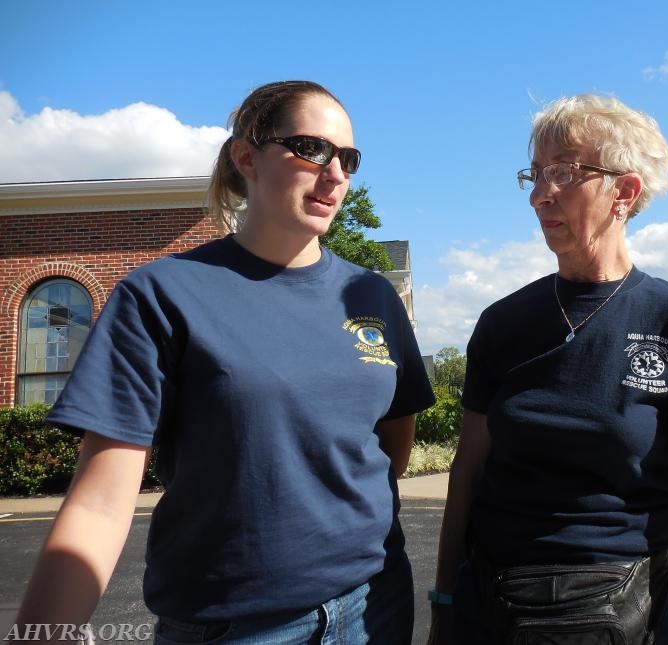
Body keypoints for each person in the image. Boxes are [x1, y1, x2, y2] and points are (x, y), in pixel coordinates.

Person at [12, 80, 434, 644]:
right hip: (235, 625)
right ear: (246, 157)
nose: (335, 174)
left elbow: (390, 440)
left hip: (374, 604)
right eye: (312, 149)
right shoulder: (162, 294)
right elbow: (100, 504)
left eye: (348, 159)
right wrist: (45, 632)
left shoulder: (372, 297)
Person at [428, 94, 668, 644]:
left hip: (631, 607)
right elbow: (469, 472)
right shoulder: (502, 324)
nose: (539, 194)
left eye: (564, 173)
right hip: (499, 603)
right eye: (536, 174)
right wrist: (445, 601)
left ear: (624, 192)